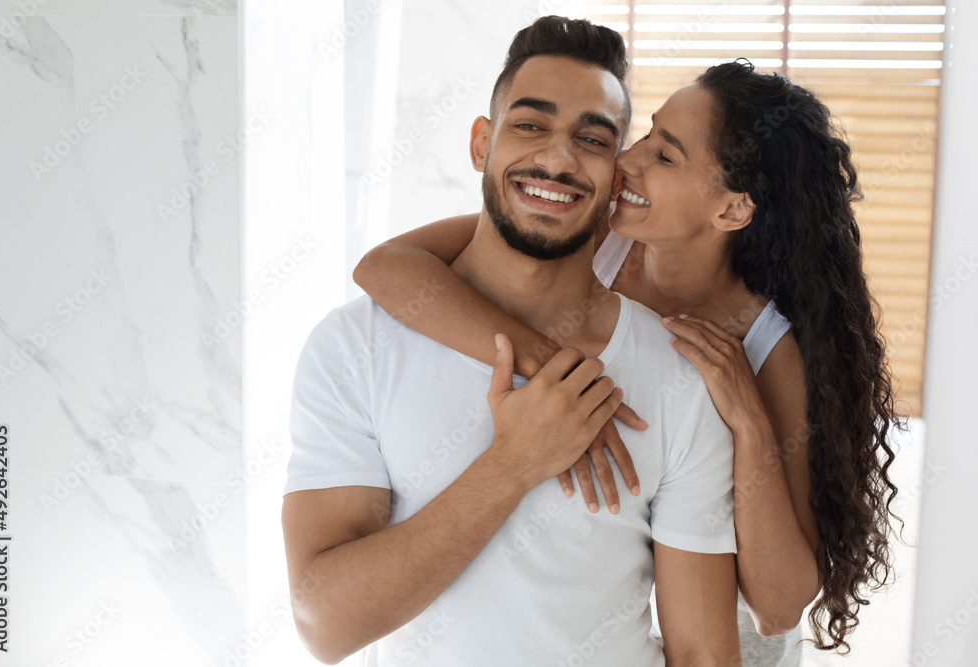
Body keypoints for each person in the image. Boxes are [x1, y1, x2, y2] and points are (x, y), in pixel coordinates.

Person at [353, 58, 903, 664]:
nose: (627, 161)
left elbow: (777, 607)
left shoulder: (768, 350)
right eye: (645, 134)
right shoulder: (596, 241)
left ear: (732, 211)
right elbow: (383, 268)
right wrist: (551, 366)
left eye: (665, 156)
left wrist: (748, 422)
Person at [283, 16, 744, 666]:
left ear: (619, 174)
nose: (557, 159)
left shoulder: (679, 376)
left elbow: (703, 654)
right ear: (481, 143)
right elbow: (324, 625)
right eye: (530, 125)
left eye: (592, 138)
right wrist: (514, 464)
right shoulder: (354, 347)